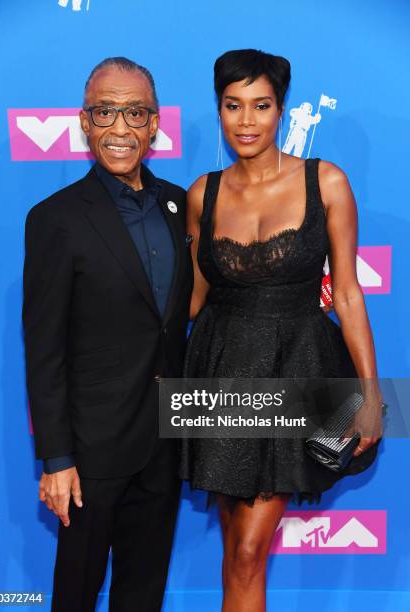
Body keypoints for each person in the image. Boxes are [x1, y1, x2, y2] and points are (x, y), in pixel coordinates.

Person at [179, 49, 382, 612]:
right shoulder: (203, 194)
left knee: (248, 549)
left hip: (299, 368)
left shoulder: (327, 182)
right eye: (233, 105)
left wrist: (370, 393)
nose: (246, 121)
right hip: (221, 375)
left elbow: (346, 292)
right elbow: (193, 299)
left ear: (281, 110)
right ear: (218, 110)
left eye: (261, 106)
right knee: (236, 550)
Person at [23, 57, 192, 611]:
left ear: (155, 123)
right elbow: (44, 349)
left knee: (143, 592)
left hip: (165, 441)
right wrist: (56, 459)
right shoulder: (56, 218)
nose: (120, 128)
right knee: (76, 591)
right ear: (83, 121)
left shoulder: (177, 205)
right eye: (105, 112)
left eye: (135, 113)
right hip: (91, 452)